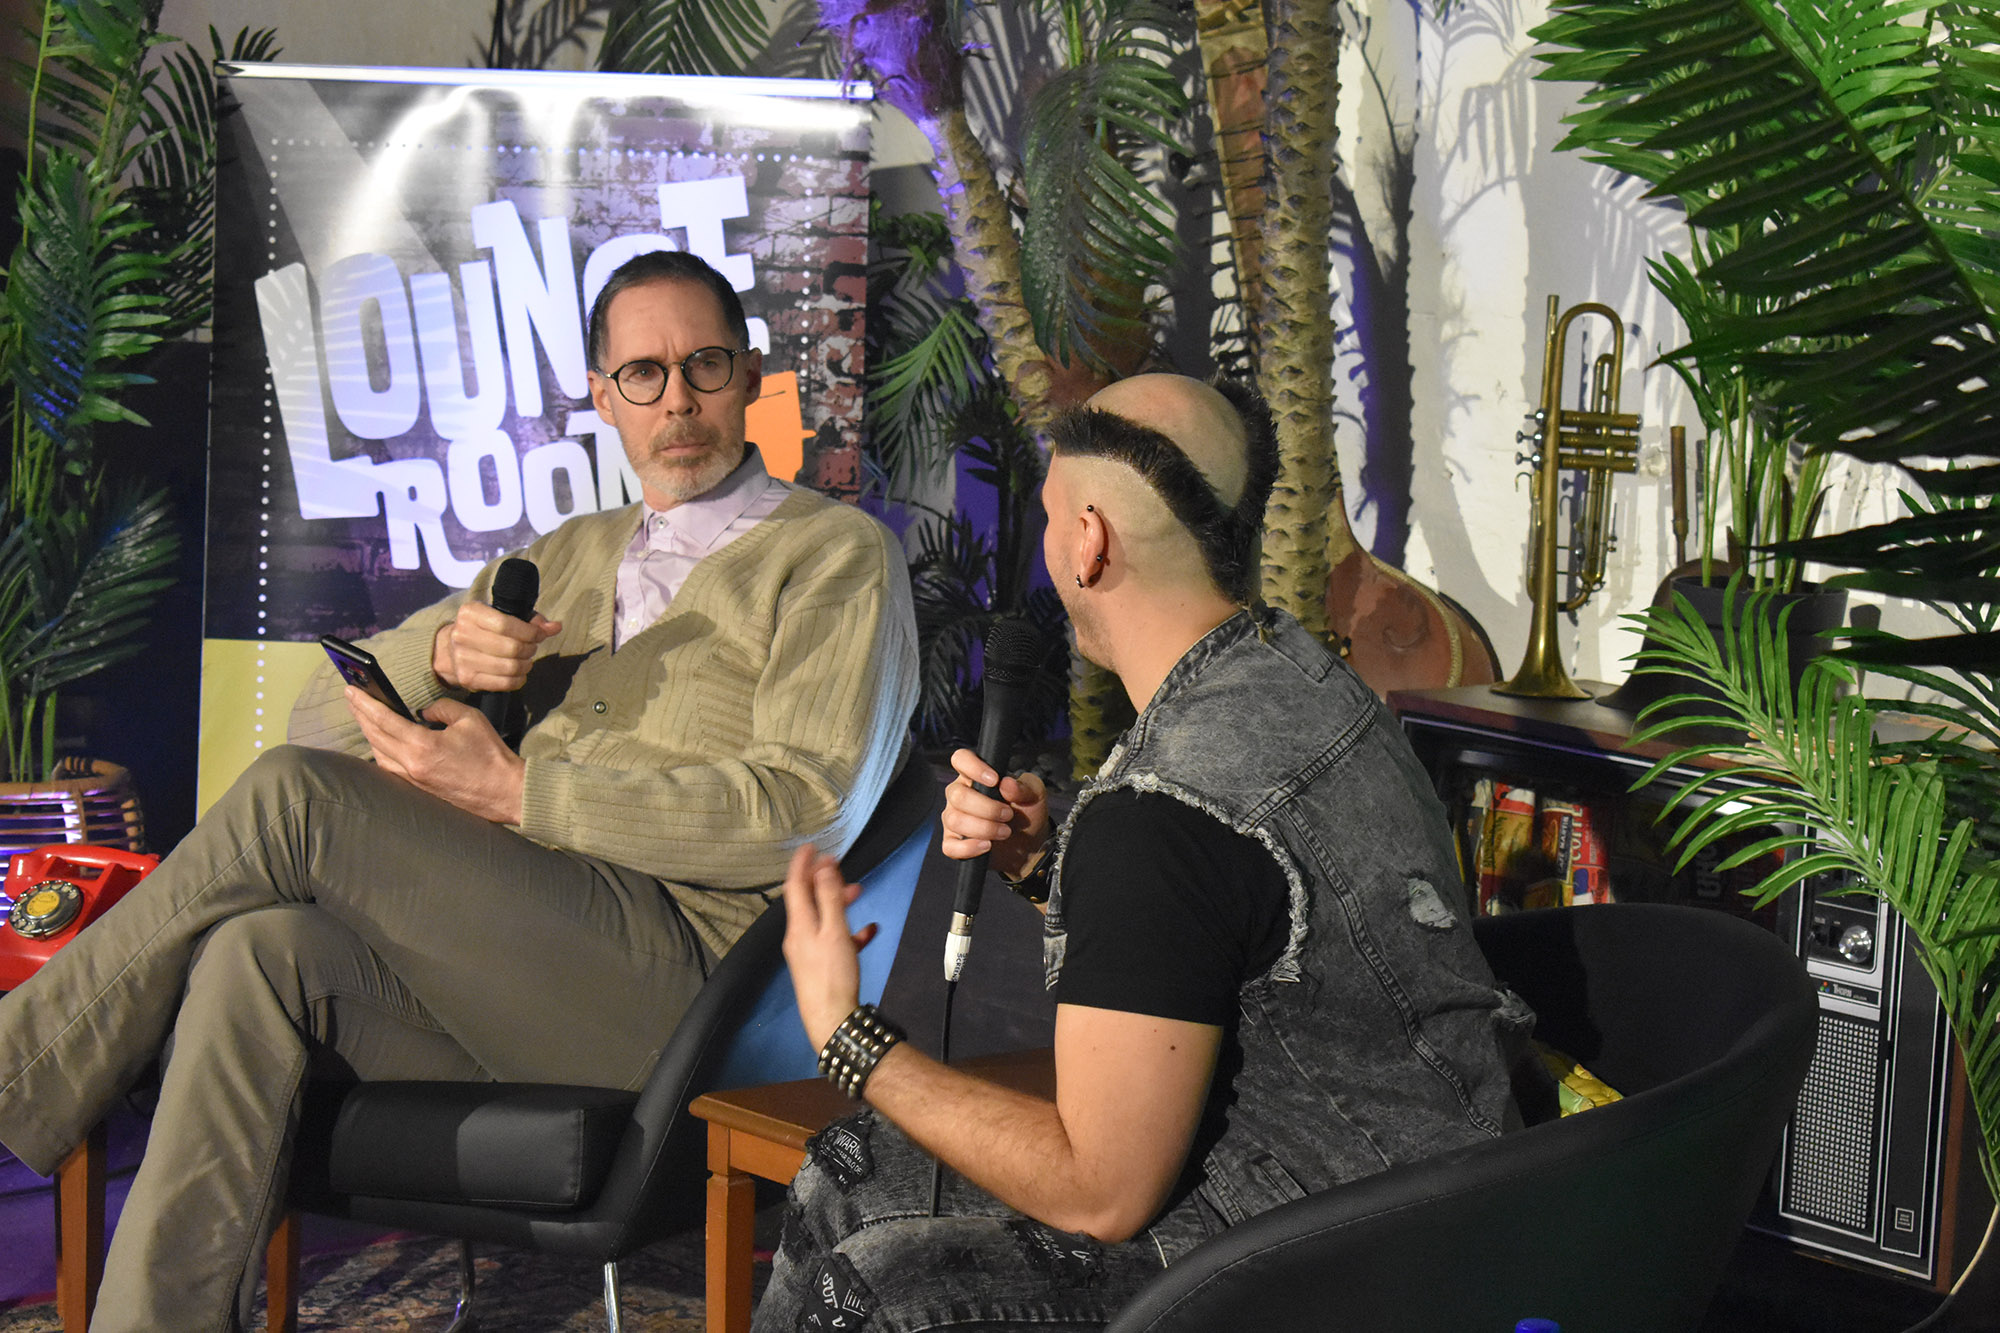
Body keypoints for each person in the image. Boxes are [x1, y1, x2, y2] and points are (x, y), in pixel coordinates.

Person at [0, 250, 919, 1333]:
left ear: (751, 372)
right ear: (603, 397)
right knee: (261, 952)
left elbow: (806, 808)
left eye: (704, 365)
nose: (677, 399)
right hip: (527, 969)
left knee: (296, 803)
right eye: (643, 374)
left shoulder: (833, 554)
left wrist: (523, 793)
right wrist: (438, 653)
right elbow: (314, 723)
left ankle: (18, 1067)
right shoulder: (566, 556)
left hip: (687, 993)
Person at [761, 373, 1531, 1331]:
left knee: (881, 1282)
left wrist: (846, 1034)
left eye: (1053, 518)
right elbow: (1233, 925)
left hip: (1343, 1259)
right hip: (1429, 1186)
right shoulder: (1314, 683)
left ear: (1089, 541)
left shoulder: (1160, 811)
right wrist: (1048, 866)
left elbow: (1099, 1191)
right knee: (850, 1172)